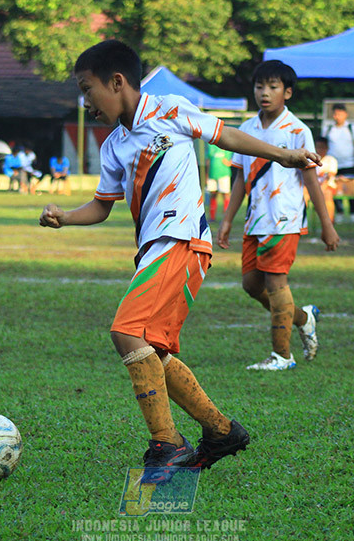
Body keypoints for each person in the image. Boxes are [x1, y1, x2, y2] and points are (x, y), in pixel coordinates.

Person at [39, 40, 322, 479]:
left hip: (182, 240)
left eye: (87, 89)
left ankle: (167, 443)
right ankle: (220, 430)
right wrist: (66, 217)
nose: (85, 101)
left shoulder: (169, 108)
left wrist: (283, 154)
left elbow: (223, 133)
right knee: (154, 349)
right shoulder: (113, 145)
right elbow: (102, 205)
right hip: (154, 248)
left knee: (126, 332)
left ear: (117, 82)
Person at [217, 60, 340, 371]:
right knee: (250, 284)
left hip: (284, 219)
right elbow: (240, 180)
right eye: (260, 87)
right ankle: (302, 316)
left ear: (288, 93)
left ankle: (282, 356)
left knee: (276, 283)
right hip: (254, 220)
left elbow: (312, 180)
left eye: (273, 87)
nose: (264, 93)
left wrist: (326, 225)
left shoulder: (299, 131)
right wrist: (228, 220)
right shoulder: (245, 129)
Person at [321, 103, 354, 222]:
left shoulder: (352, 128)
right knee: (334, 189)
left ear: (345, 114)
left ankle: (353, 214)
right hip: (333, 165)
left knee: (351, 190)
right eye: (335, 114)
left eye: (339, 114)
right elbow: (322, 145)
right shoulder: (328, 129)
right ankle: (338, 212)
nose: (337, 116)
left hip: (349, 163)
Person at [311, 138, 338, 224]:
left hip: (327, 186)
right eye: (318, 147)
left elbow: (330, 175)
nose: (320, 150)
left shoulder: (331, 160)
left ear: (327, 148)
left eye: (322, 147)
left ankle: (329, 221)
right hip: (312, 185)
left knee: (327, 194)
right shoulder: (310, 159)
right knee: (304, 194)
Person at [205, 142, 232, 222]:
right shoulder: (210, 145)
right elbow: (208, 160)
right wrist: (207, 174)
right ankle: (212, 217)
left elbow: (235, 158)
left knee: (226, 194)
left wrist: (230, 162)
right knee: (212, 194)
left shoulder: (227, 144)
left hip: (224, 174)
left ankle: (226, 218)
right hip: (212, 174)